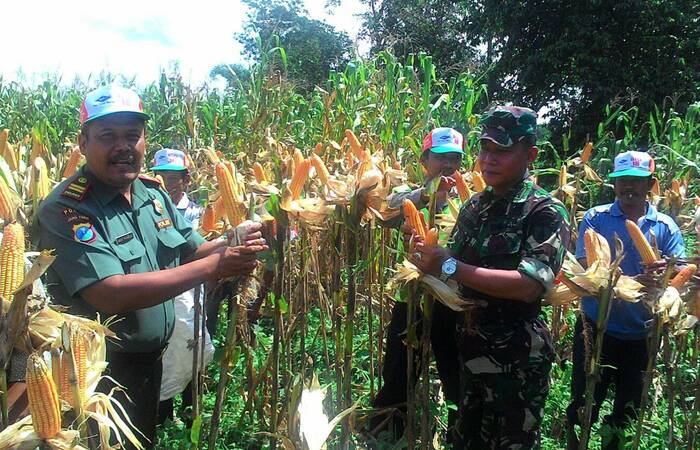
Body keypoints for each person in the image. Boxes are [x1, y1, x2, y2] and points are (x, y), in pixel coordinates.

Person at [36, 85, 267, 450]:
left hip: (150, 364)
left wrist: (233, 239)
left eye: (132, 135)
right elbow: (107, 293)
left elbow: (192, 251)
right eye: (107, 136)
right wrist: (215, 268)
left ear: (145, 140)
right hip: (97, 375)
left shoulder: (153, 193)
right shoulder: (68, 209)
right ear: (83, 142)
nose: (123, 146)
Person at [411, 106, 570, 449]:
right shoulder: (474, 207)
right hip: (469, 351)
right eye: (485, 149)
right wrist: (426, 258)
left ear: (530, 155)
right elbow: (449, 264)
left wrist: (448, 267)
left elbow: (529, 286)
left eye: (502, 151)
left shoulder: (544, 212)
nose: (489, 159)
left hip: (516, 360)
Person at [565, 150, 685, 450]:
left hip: (642, 333)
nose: (628, 187)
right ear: (614, 184)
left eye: (636, 181)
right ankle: (573, 444)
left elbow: (681, 270)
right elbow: (586, 266)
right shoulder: (597, 217)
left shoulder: (665, 226)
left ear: (651, 184)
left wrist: (668, 270)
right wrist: (629, 281)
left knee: (628, 410)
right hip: (595, 327)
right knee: (583, 404)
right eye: (622, 181)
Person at [370, 127, 463, 442]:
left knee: (455, 370)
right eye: (440, 158)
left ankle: (457, 432)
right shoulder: (410, 194)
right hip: (410, 295)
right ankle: (389, 428)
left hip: (451, 298)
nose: (448, 165)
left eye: (454, 159)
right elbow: (386, 208)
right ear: (425, 161)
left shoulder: (468, 201)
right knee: (398, 368)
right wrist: (426, 196)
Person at [150, 148, 213, 425]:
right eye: (161, 175)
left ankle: (191, 412)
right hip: (162, 293)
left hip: (196, 294)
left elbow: (200, 250)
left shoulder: (199, 212)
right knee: (164, 353)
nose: (167, 182)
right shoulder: (149, 211)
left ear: (186, 180)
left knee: (194, 348)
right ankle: (164, 415)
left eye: (174, 177)